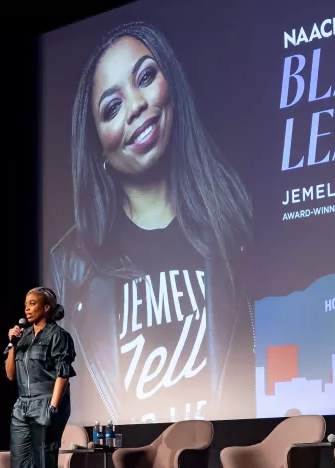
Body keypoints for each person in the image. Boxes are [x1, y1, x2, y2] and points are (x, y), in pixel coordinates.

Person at [50, 21, 255, 425]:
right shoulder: (74, 265)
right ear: (97, 148)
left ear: (171, 85)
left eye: (145, 77)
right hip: (123, 465)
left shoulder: (235, 225)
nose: (137, 105)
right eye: (112, 107)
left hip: (218, 457)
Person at [0, 287, 76, 468]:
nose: (27, 308)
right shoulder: (22, 338)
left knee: (46, 467)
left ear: (46, 308)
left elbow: (62, 374)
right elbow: (10, 375)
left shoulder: (59, 336)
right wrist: (12, 344)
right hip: (22, 405)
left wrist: (53, 408)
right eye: (25, 304)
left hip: (46, 403)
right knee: (21, 467)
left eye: (33, 304)